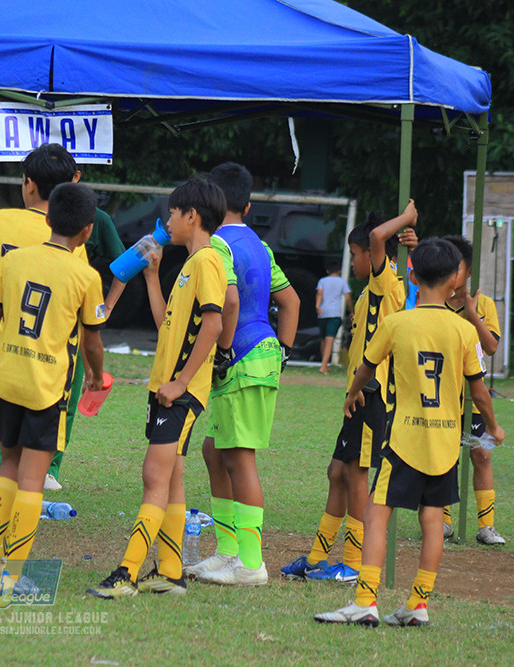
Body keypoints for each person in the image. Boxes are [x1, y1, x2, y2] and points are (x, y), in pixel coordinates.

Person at [315, 238, 504, 627]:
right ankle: (418, 604)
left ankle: (366, 601)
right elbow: (479, 390)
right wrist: (495, 426)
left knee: (376, 513)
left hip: (403, 439)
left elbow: (366, 368)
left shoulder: (397, 322)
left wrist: (352, 395)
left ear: (413, 276)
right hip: (445, 443)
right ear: (456, 279)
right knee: (433, 520)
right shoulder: (463, 330)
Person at [0, 143, 88, 572]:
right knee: (28, 462)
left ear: (27, 183)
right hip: (47, 361)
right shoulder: (70, 231)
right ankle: (11, 557)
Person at [87, 176, 227, 598]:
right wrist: (151, 276)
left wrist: (182, 381)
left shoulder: (208, 262)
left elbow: (215, 324)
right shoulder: (189, 264)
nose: (167, 220)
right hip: (166, 387)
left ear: (191, 216)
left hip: (180, 392)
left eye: (171, 212)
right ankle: (169, 571)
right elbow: (168, 322)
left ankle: (126, 574)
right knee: (173, 479)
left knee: (154, 477)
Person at [0, 182, 106, 595]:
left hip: (6, 378)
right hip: (46, 387)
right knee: (33, 479)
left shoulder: (12, 263)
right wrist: (98, 376)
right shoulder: (86, 276)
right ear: (87, 231)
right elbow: (91, 341)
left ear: (47, 218)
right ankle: (10, 576)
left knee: (7, 465)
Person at [281, 203, 418, 583]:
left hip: (372, 397)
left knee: (356, 475)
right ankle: (316, 558)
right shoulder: (367, 295)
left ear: (375, 257)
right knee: (336, 472)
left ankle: (354, 563)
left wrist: (406, 219)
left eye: (355, 255)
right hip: (357, 395)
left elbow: (377, 236)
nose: (354, 261)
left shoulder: (385, 283)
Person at [187, 162, 300, 587]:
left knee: (239, 456)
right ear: (249, 205)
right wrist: (283, 352)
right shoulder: (260, 245)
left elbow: (229, 303)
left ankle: (251, 563)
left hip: (239, 357)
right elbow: (290, 301)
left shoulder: (216, 246)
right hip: (261, 353)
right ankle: (229, 550)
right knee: (215, 451)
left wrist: (223, 352)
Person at [48, 203, 126, 492]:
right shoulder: (28, 217)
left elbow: (125, 263)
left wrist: (107, 306)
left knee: (66, 395)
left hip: (75, 321)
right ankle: (6, 460)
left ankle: (51, 467)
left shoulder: (97, 219)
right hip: (36, 318)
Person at [441, 235, 504, 545]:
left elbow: (491, 347)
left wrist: (472, 313)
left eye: (460, 267)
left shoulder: (485, 304)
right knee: (444, 458)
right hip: (444, 397)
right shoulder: (436, 304)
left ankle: (486, 526)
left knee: (482, 455)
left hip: (475, 397)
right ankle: (443, 520)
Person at [317, 258, 352, 373]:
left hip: (323, 313)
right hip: (334, 313)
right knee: (330, 338)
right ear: (339, 271)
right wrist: (352, 310)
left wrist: (317, 306)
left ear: (327, 270)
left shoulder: (322, 281)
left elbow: (319, 293)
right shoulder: (341, 282)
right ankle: (323, 365)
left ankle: (324, 362)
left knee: (323, 339)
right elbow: (347, 297)